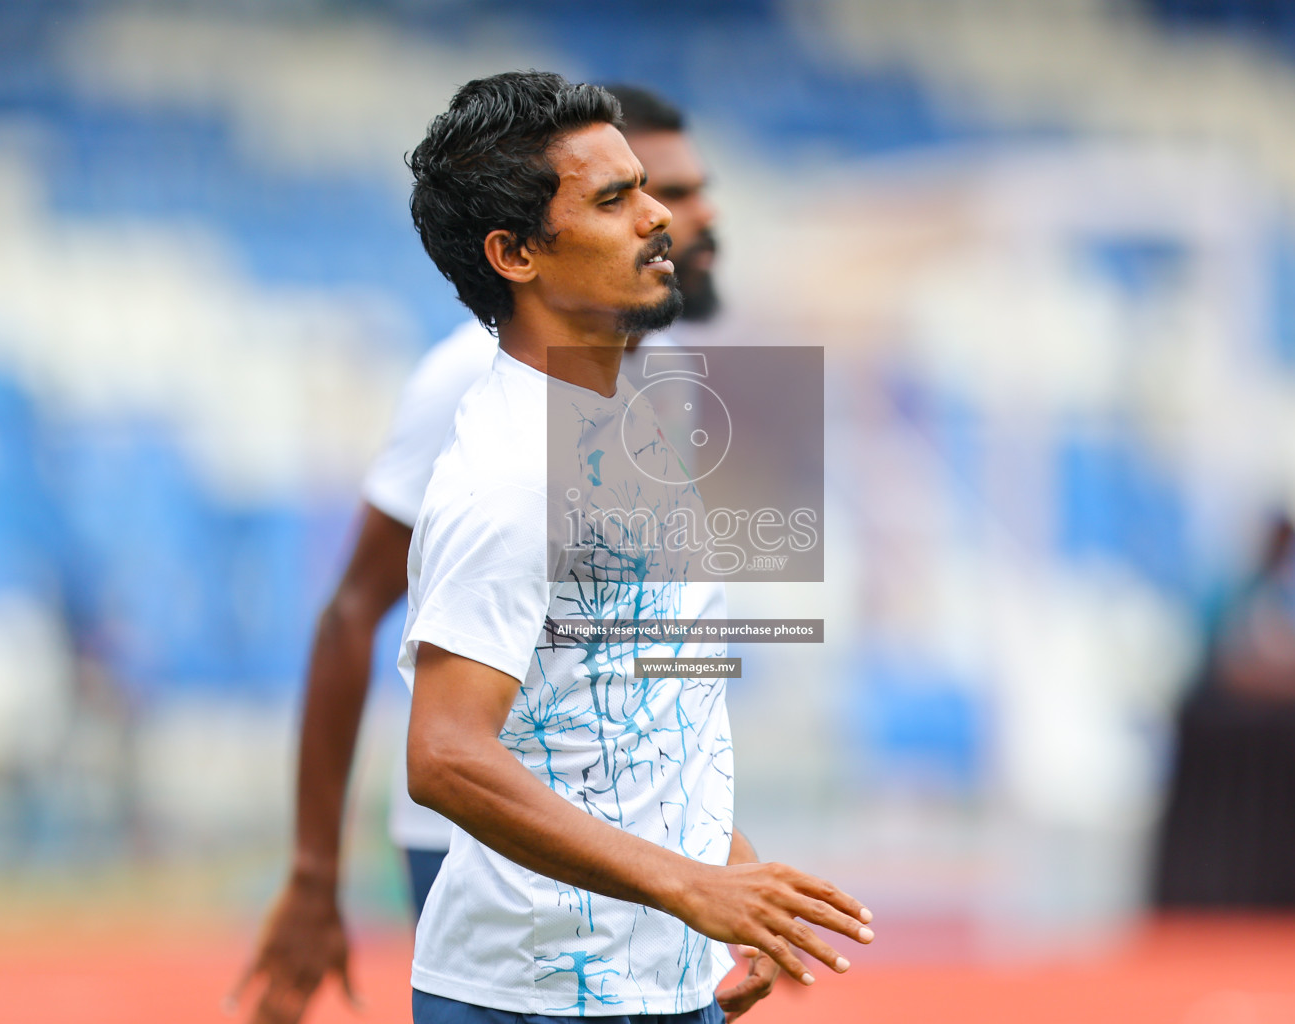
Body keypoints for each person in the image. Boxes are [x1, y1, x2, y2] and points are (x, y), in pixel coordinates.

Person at [232, 84, 733, 1024]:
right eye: (629, 194)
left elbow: (644, 647)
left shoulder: (648, 384)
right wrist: (314, 876)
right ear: (518, 254)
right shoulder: (482, 403)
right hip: (497, 866)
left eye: (681, 190)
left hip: (644, 912)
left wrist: (717, 858)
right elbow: (368, 628)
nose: (682, 217)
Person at [399, 72, 871, 1022]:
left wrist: (728, 878)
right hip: (535, 1001)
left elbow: (621, 697)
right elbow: (444, 754)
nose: (658, 217)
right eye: (614, 200)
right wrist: (689, 887)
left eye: (645, 188)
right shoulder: (511, 471)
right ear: (516, 253)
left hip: (649, 986)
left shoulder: (624, 427)